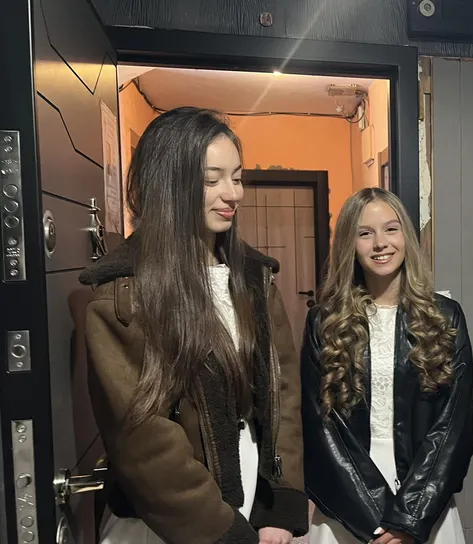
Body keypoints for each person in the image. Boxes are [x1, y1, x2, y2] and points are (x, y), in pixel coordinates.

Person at [79, 107, 307, 544]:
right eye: (211, 179)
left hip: (251, 501)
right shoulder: (125, 294)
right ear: (169, 184)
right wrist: (222, 532)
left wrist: (280, 502)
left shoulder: (254, 279)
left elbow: (284, 397)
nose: (233, 193)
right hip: (173, 524)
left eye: (237, 177)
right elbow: (144, 440)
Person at [300, 188, 473, 544]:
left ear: (406, 236)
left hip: (423, 496)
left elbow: (453, 426)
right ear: (349, 244)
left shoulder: (444, 317)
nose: (380, 243)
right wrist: (378, 522)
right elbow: (321, 427)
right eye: (365, 233)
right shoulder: (325, 321)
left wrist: (409, 518)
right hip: (346, 499)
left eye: (391, 229)